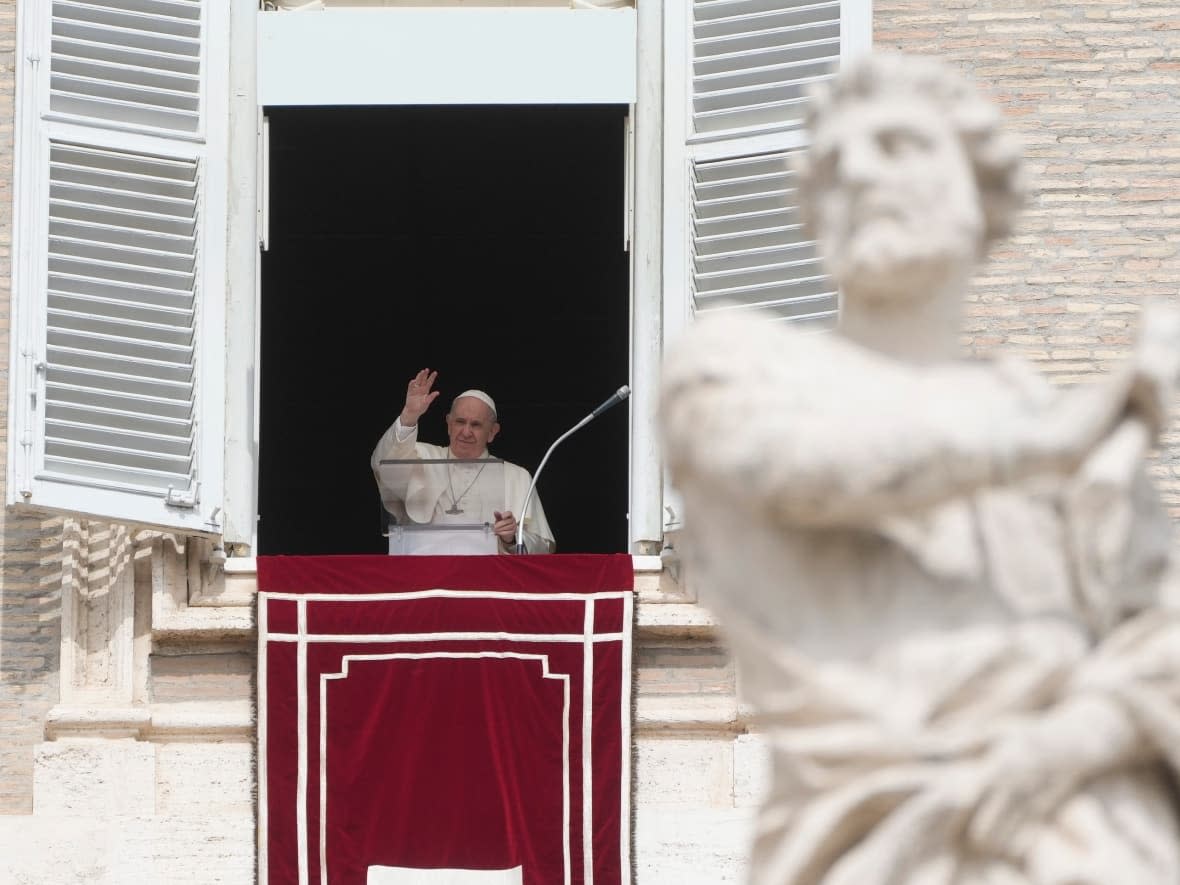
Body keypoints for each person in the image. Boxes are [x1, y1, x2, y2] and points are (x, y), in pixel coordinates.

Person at [662, 53, 1180, 884]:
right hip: (876, 839)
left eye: (900, 146)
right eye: (833, 165)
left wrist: (1075, 737)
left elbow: (1161, 627)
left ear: (980, 197)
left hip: (1096, 829)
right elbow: (798, 469)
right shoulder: (738, 367)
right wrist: (1047, 443)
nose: (860, 174)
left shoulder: (1049, 416)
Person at [372, 369, 554, 554]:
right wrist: (409, 416)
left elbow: (544, 549)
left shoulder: (516, 476)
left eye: (476, 425)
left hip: (485, 580)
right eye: (460, 422)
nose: (466, 432)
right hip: (425, 578)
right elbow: (382, 464)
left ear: (492, 432)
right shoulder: (421, 456)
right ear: (449, 424)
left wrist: (512, 537)